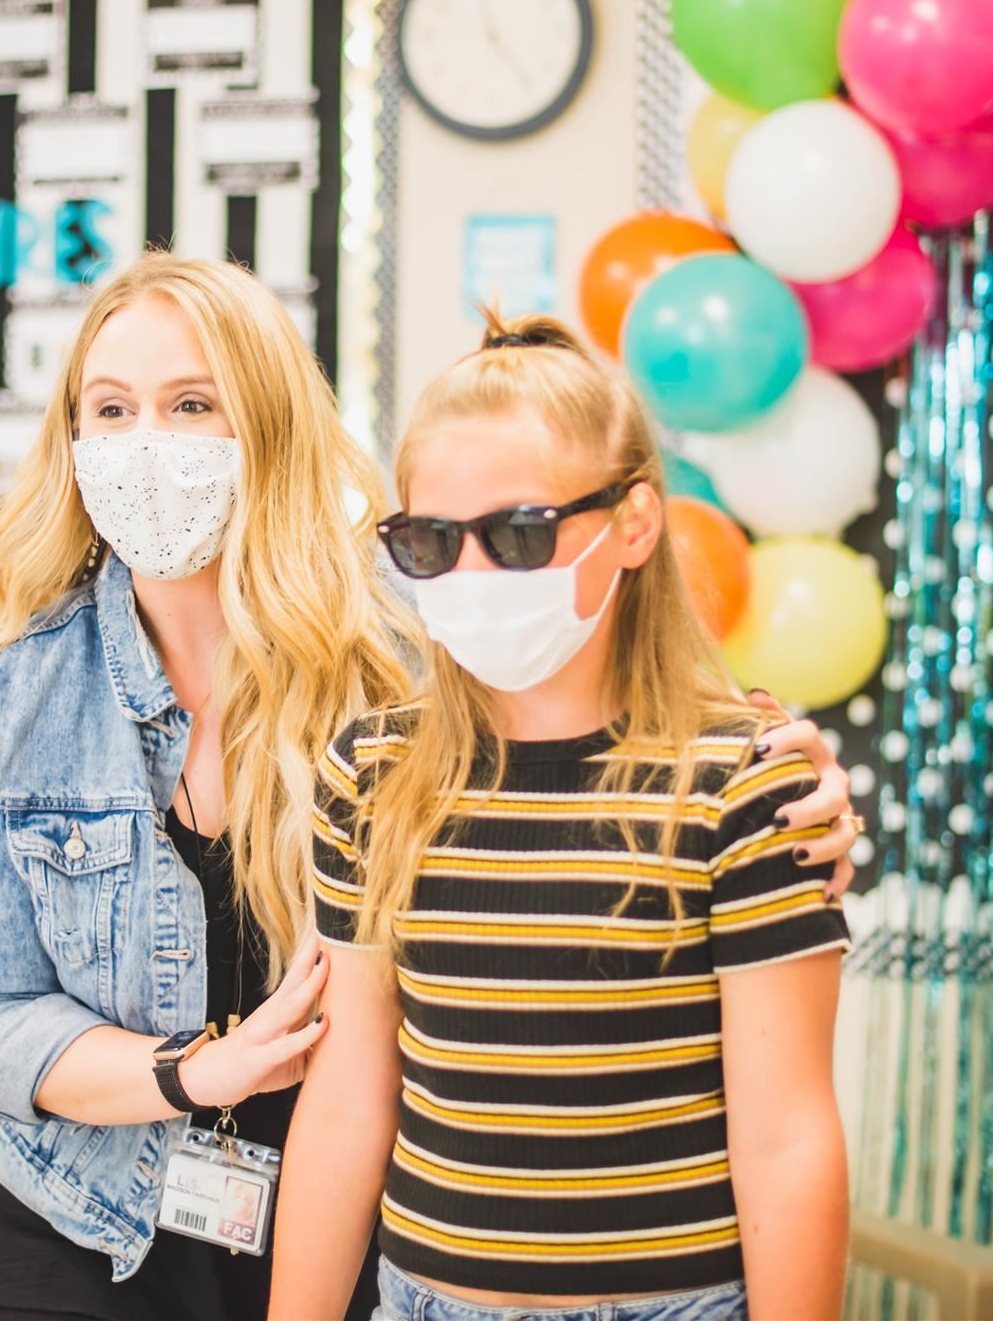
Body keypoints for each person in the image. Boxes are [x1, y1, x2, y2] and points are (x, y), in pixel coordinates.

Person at [0, 256, 860, 1321]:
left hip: (354, 1228)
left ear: (266, 424)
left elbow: (605, 709)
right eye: (110, 408)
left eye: (191, 403)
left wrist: (793, 766)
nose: (147, 444)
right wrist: (196, 1071)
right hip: (78, 1220)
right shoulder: (2, 694)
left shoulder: (413, 634)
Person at [272, 314, 854, 1321]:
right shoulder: (370, 774)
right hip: (424, 1300)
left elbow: (786, 1135)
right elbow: (346, 1103)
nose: (472, 576)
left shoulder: (741, 783)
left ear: (632, 522)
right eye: (428, 541)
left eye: (519, 534)